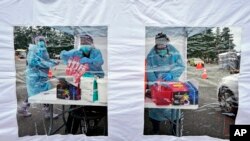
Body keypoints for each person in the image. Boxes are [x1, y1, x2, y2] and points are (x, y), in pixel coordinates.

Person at [60, 34, 107, 135]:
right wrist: (69, 53)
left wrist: (89, 61)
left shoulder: (96, 52)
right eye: (82, 42)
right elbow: (63, 57)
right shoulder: (77, 52)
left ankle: (96, 126)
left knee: (96, 102)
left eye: (86, 42)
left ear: (91, 43)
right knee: (77, 104)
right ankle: (70, 132)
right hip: (80, 83)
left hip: (95, 82)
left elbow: (99, 62)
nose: (84, 44)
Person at [146, 32, 185, 135]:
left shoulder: (174, 52)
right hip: (157, 85)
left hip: (172, 83)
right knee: (155, 108)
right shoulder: (151, 55)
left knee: (175, 107)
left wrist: (171, 75)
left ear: (167, 42)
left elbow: (181, 66)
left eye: (163, 43)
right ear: (156, 43)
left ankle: (174, 129)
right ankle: (155, 129)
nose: (161, 46)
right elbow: (148, 70)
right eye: (159, 44)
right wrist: (154, 82)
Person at [18, 36, 59, 118]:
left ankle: (23, 108)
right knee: (43, 94)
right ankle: (47, 113)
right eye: (40, 41)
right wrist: (51, 63)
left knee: (35, 94)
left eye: (42, 41)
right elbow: (34, 63)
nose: (42, 42)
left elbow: (45, 60)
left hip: (39, 76)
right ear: (36, 42)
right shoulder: (34, 50)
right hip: (35, 77)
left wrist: (53, 62)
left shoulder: (41, 50)